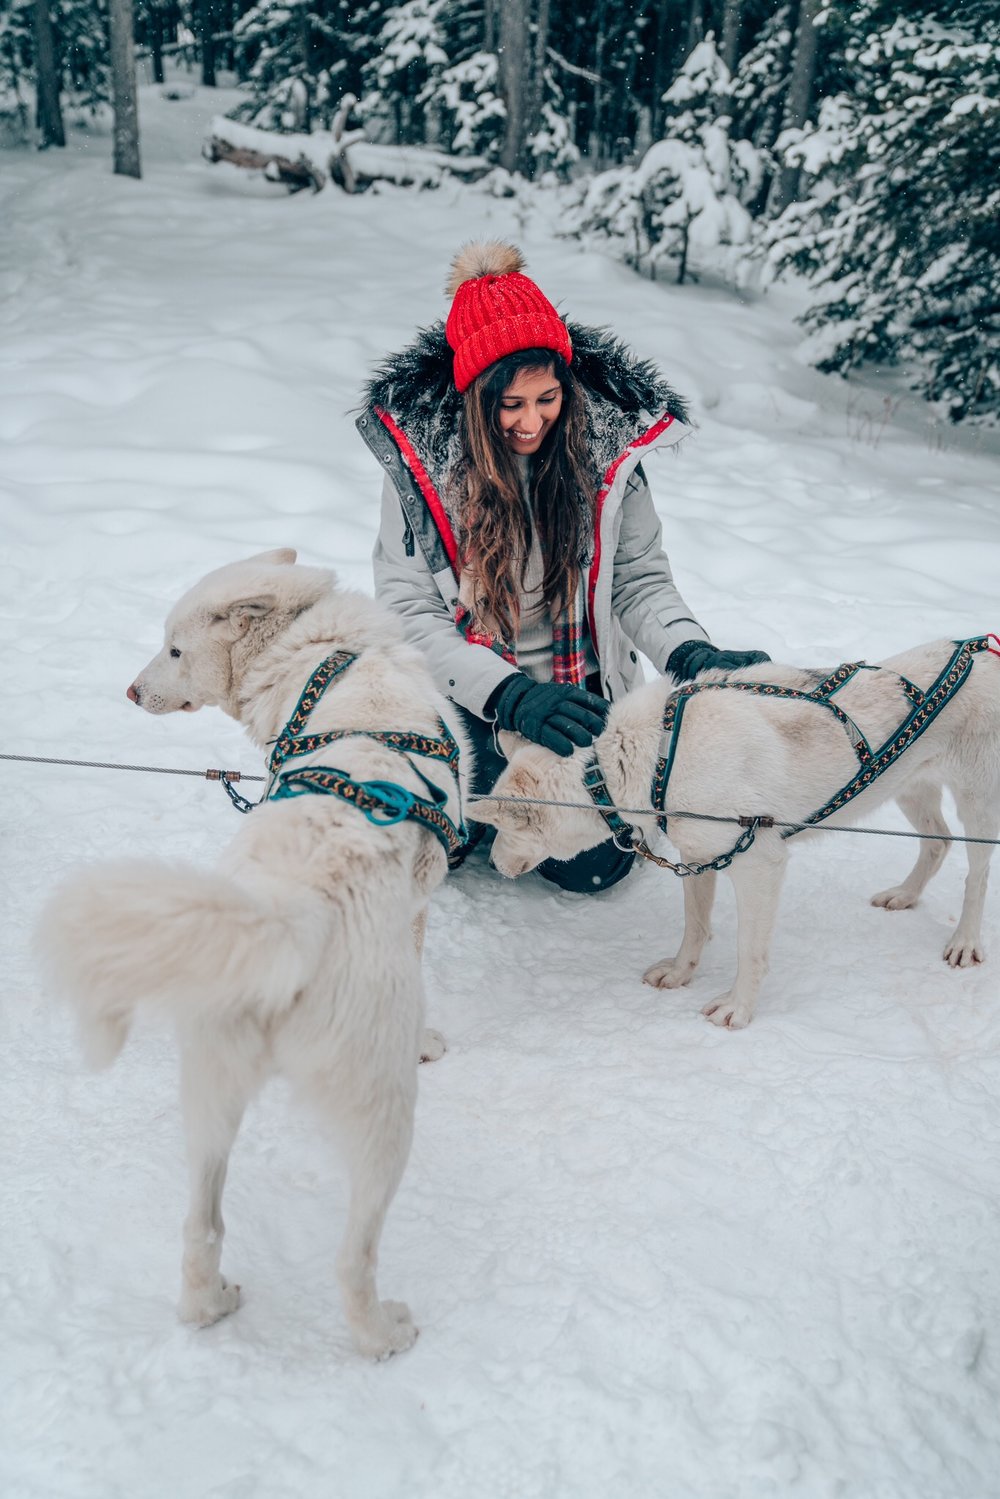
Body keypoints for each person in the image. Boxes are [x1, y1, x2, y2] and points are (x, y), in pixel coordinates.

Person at [357, 241, 769, 892]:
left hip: (575, 693)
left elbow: (638, 578)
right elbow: (408, 612)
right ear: (474, 398)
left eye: (547, 398)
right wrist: (511, 695)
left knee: (593, 869)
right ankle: (466, 796)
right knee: (445, 840)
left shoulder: (608, 455)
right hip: (474, 700)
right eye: (509, 405)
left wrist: (689, 652)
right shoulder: (423, 473)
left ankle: (527, 798)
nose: (531, 422)